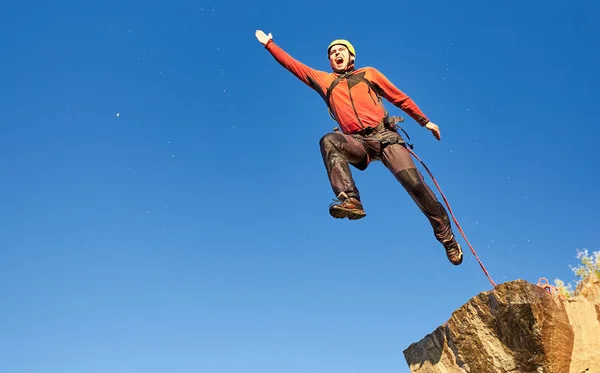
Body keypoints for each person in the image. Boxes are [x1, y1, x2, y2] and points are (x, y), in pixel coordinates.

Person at [254, 30, 463, 266]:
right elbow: (295, 66)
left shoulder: (368, 74)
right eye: (332, 53)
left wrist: (425, 121)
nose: (336, 54)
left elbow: (399, 98)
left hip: (385, 137)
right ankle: (351, 200)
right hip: (357, 142)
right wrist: (270, 45)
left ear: (351, 57)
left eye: (340, 50)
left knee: (415, 185)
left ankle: (447, 238)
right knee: (329, 141)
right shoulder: (325, 82)